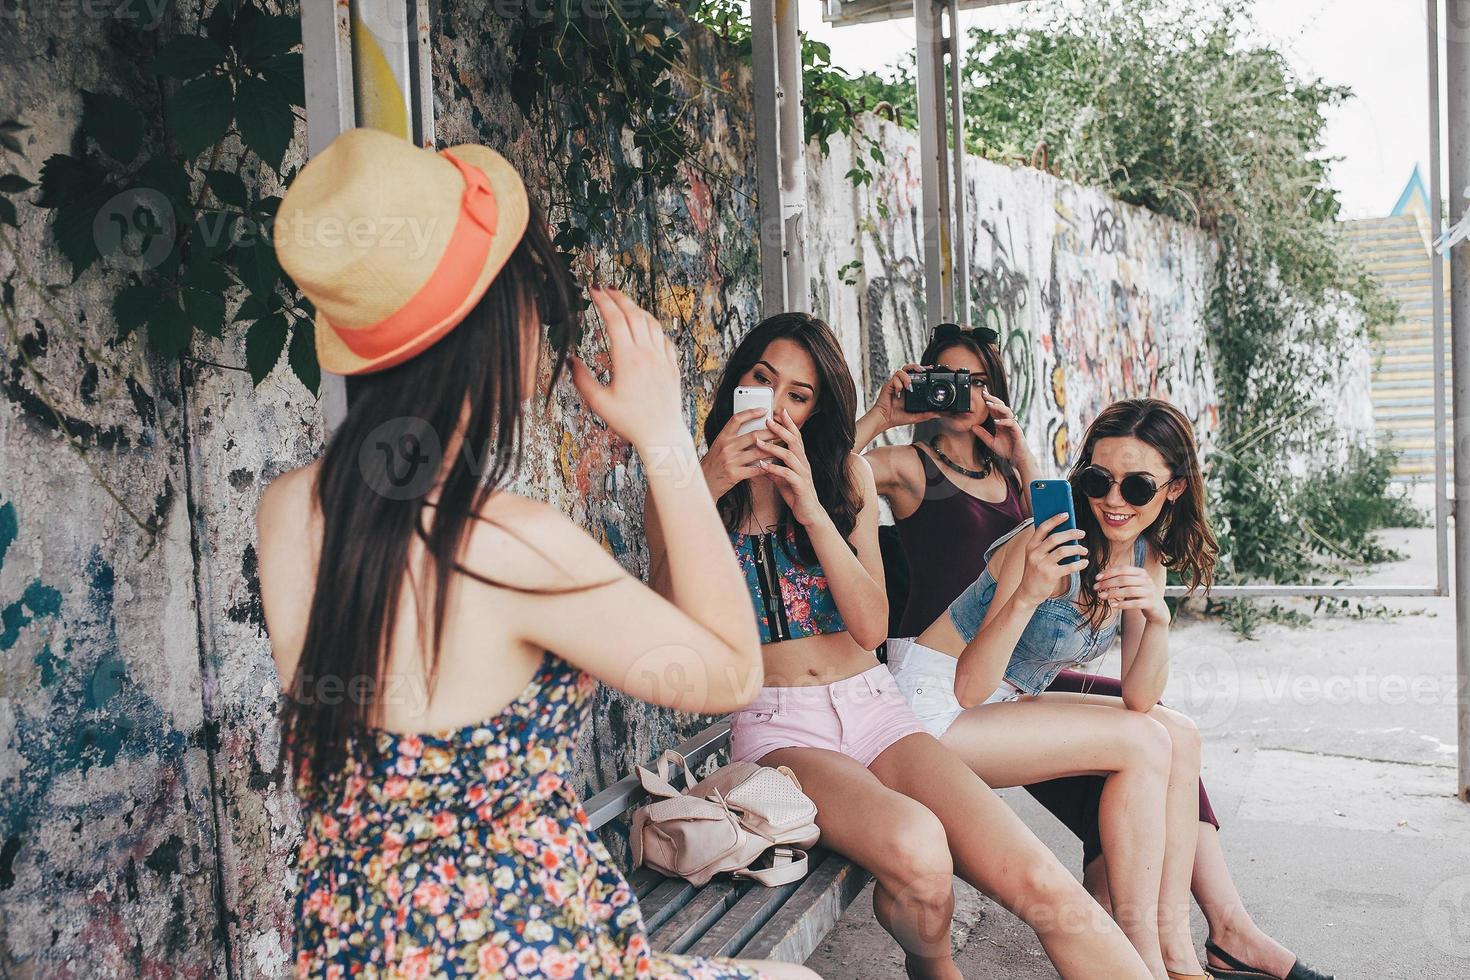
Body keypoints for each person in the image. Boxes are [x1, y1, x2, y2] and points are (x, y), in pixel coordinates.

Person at [256, 127, 817, 980]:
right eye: (536, 303)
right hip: (519, 941)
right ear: (495, 325)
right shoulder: (508, 545)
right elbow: (733, 670)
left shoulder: (288, 509)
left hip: (351, 938)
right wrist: (665, 436)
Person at [646, 313, 1152, 980]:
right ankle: (935, 965)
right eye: (762, 380)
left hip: (877, 708)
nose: (775, 404)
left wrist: (811, 509)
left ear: (816, 410)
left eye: (798, 395)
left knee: (1044, 884)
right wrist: (706, 485)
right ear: (738, 381)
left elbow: (870, 628)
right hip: (781, 726)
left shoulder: (846, 480)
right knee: (919, 850)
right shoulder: (683, 481)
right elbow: (660, 622)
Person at [859, 333, 1334, 980]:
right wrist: (1025, 593)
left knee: (1176, 734)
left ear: (1172, 490)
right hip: (935, 707)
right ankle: (1143, 955)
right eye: (1098, 479)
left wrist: (1156, 617)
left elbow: (1141, 697)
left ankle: (1174, 949)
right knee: (1143, 743)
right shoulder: (1048, 543)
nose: (1114, 499)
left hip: (1000, 703)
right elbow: (969, 686)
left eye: (1137, 486)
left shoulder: (1147, 556)